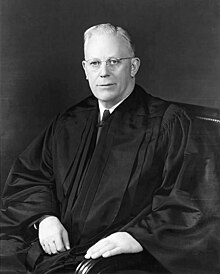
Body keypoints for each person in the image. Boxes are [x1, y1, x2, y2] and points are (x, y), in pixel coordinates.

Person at [0, 23, 219, 274]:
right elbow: (31, 177)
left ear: (134, 66)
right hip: (54, 249)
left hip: (118, 260)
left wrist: (137, 238)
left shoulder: (168, 123)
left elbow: (193, 201)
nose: (103, 72)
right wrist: (44, 219)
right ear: (85, 69)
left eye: (114, 61)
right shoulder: (69, 122)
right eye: (94, 63)